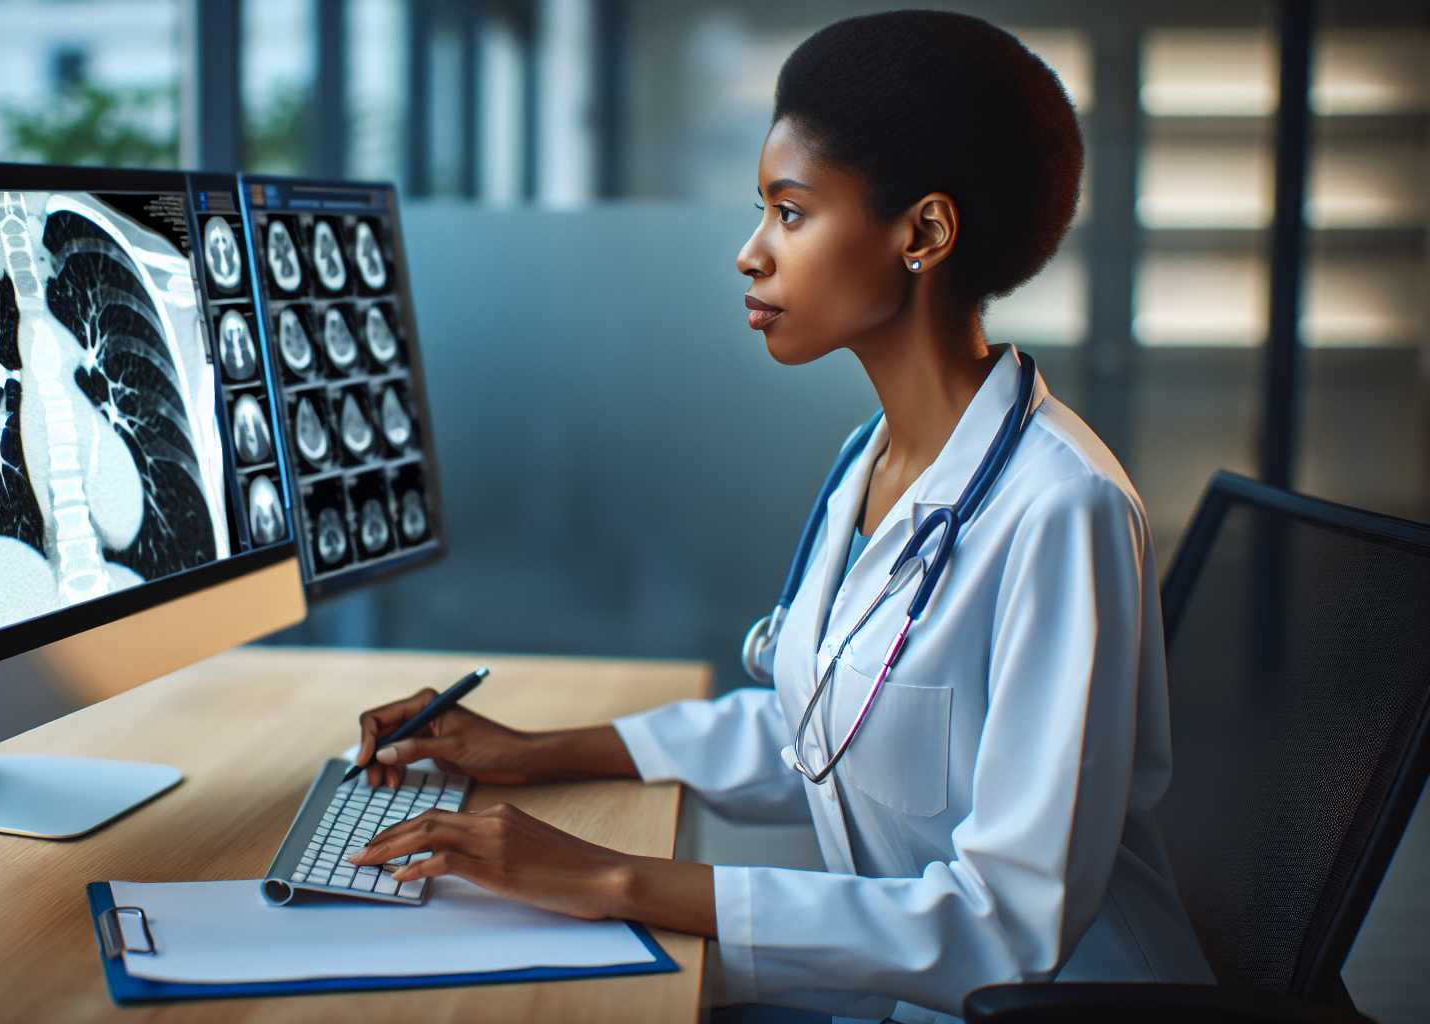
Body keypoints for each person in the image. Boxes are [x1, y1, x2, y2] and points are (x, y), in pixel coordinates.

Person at [346, 11, 1213, 1021]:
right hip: (898, 989)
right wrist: (531, 752)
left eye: (790, 213)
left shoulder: (1062, 510)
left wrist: (607, 876)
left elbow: (1002, 926)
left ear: (922, 233)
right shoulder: (873, 460)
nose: (750, 255)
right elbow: (820, 728)